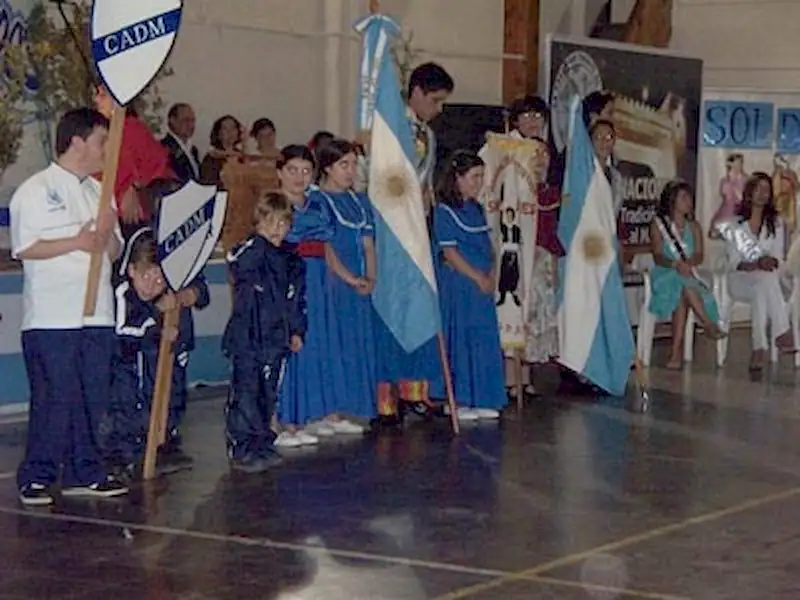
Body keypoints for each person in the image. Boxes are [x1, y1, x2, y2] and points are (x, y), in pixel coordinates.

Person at [10, 107, 129, 506]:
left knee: (92, 396)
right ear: (77, 141)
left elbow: (114, 251)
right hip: (52, 317)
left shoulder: (100, 191)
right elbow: (26, 248)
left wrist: (107, 235)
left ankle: (85, 470)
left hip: (96, 312)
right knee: (55, 397)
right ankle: (38, 474)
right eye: (101, 141)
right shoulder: (36, 190)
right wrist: (78, 243)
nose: (105, 150)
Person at [373, 61, 455, 426]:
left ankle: (415, 391)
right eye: (435, 100)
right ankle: (386, 396)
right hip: (393, 233)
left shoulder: (428, 135)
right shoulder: (391, 129)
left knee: (418, 307)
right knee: (392, 310)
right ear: (417, 92)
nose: (438, 109)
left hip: (418, 230)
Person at [104, 225, 209, 476]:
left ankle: (162, 443)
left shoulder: (167, 293)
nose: (153, 285)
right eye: (147, 276)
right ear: (131, 271)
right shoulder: (121, 294)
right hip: (126, 370)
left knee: (169, 395)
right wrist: (156, 330)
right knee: (127, 407)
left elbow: (200, 292)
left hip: (155, 364)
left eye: (160, 278)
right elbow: (125, 332)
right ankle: (122, 454)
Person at [223, 192, 307, 472]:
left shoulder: (291, 260)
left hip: (275, 337)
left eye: (283, 223)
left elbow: (295, 298)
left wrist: (296, 330)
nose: (276, 230)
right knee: (246, 392)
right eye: (270, 222)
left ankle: (262, 442)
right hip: (248, 336)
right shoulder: (249, 249)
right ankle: (242, 446)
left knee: (267, 394)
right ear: (258, 222)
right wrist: (259, 241)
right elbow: (237, 262)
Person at [431, 150, 506, 420]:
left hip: (482, 286)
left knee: (481, 339)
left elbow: (489, 246)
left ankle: (481, 396)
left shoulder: (476, 208)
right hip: (461, 285)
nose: (479, 182)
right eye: (474, 177)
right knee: (461, 338)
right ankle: (458, 399)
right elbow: (450, 253)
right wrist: (477, 277)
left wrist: (492, 275)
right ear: (457, 179)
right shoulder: (444, 211)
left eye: (481, 177)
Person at [314, 139, 377, 430]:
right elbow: (326, 248)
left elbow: (368, 244)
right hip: (333, 281)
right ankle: (330, 410)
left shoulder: (359, 201)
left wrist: (370, 277)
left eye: (354, 165)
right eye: (344, 165)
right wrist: (350, 278)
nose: (351, 171)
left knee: (356, 342)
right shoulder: (318, 200)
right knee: (332, 343)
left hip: (359, 282)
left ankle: (353, 405)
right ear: (327, 167)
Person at [276, 145, 332, 446]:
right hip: (288, 277)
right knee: (292, 343)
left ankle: (311, 412)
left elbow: (327, 238)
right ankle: (286, 419)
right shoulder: (274, 205)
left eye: (305, 171)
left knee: (315, 344)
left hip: (319, 277)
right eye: (292, 170)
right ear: (280, 172)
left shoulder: (317, 204)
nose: (299, 177)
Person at [722, 172, 796, 371]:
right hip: (740, 280)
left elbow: (778, 259)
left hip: (769, 281)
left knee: (764, 282)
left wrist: (767, 263)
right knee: (763, 280)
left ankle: (759, 348)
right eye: (759, 189)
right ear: (749, 192)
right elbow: (734, 262)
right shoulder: (735, 224)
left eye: (767, 190)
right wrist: (756, 264)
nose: (763, 193)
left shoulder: (776, 223)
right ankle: (782, 331)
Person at [649, 180, 725, 369]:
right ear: (672, 200)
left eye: (689, 197)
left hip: (688, 273)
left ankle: (675, 353)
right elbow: (658, 256)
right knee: (682, 285)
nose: (688, 201)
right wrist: (675, 264)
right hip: (666, 273)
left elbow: (699, 255)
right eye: (683, 197)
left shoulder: (695, 226)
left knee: (683, 292)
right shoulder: (658, 225)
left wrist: (689, 263)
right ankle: (707, 323)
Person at [94, 85, 175, 237]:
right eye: (97, 94)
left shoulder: (132, 126)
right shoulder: (99, 132)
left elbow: (157, 164)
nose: (96, 99)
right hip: (106, 216)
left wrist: (134, 186)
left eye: (103, 95)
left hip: (132, 218)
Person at [200, 115, 244, 189]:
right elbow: (208, 184)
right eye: (225, 128)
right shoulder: (211, 158)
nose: (230, 132)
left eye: (233, 128)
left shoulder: (242, 156)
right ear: (218, 134)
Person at [161, 102, 200, 184]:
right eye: (186, 120)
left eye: (193, 120)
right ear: (172, 121)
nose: (191, 125)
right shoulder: (164, 148)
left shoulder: (193, 150)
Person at [709, 153, 746, 238]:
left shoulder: (745, 179)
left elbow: (741, 198)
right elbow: (726, 196)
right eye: (736, 164)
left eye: (740, 163)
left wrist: (734, 184)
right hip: (728, 210)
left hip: (741, 210)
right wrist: (730, 180)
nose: (738, 166)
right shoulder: (725, 181)